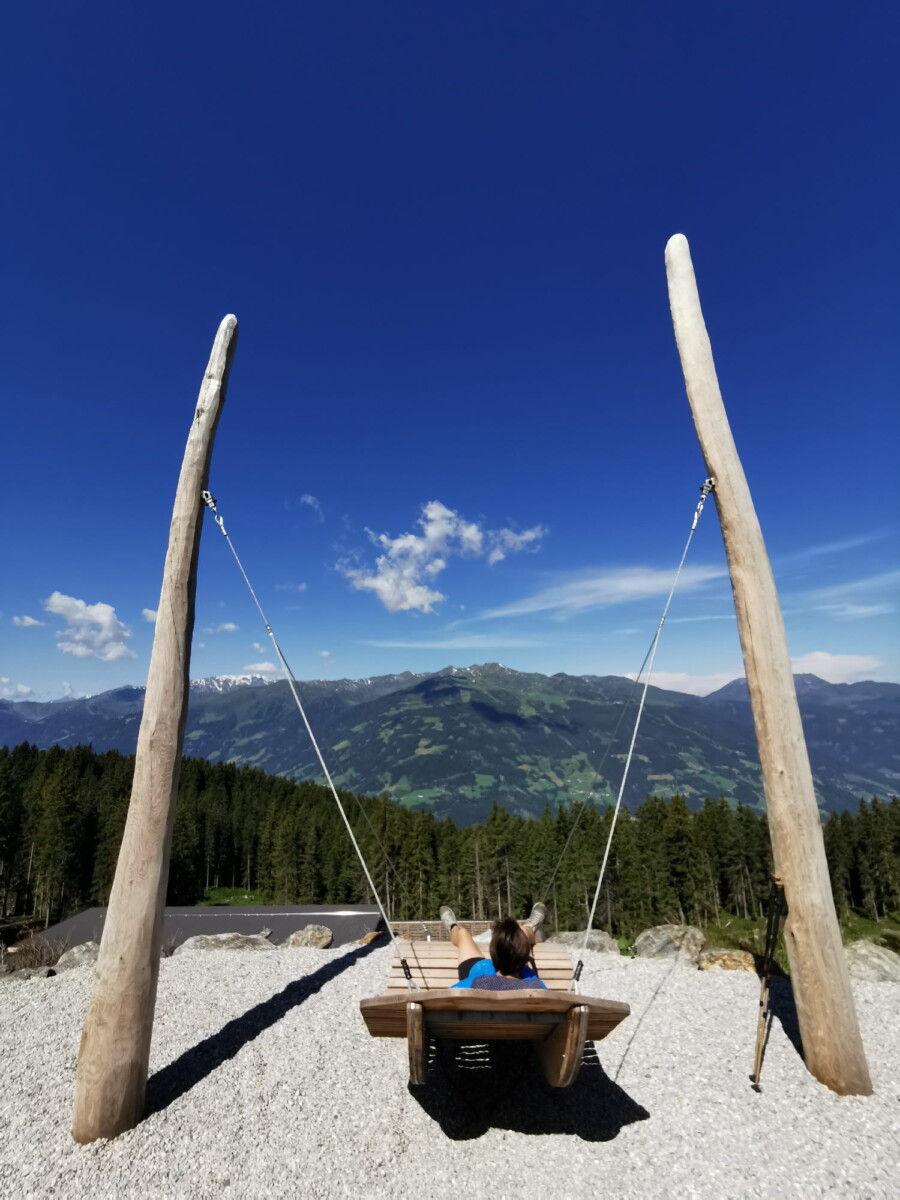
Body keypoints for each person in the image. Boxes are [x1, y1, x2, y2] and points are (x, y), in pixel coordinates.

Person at [439, 903, 547, 991]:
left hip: (481, 971)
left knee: (463, 934)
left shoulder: (475, 984)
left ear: (492, 952)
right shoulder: (537, 987)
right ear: (525, 956)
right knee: (519, 933)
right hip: (520, 975)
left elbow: (448, 996)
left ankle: (453, 927)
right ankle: (529, 928)